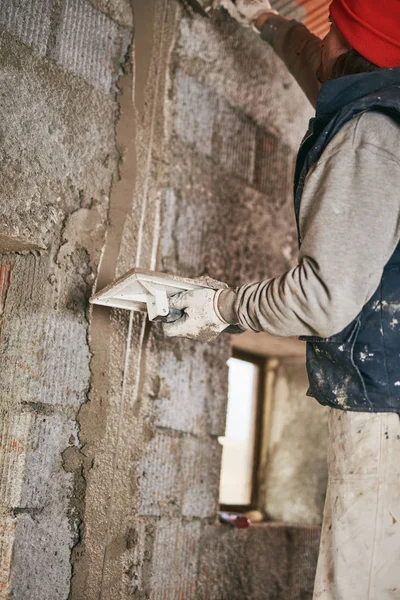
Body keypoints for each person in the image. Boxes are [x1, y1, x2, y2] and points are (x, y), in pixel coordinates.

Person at [164, 1, 400, 598]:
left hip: (385, 417)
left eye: (332, 30)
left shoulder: (371, 136)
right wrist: (264, 19)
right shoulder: (380, 95)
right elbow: (317, 63)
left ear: (342, 42)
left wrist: (222, 308)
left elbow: (323, 298)